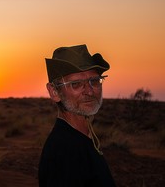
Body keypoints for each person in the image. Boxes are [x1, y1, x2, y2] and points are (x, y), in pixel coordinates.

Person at [38, 44, 116, 187]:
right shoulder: (64, 152)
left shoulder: (85, 138)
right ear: (54, 92)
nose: (90, 91)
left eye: (94, 81)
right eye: (76, 84)